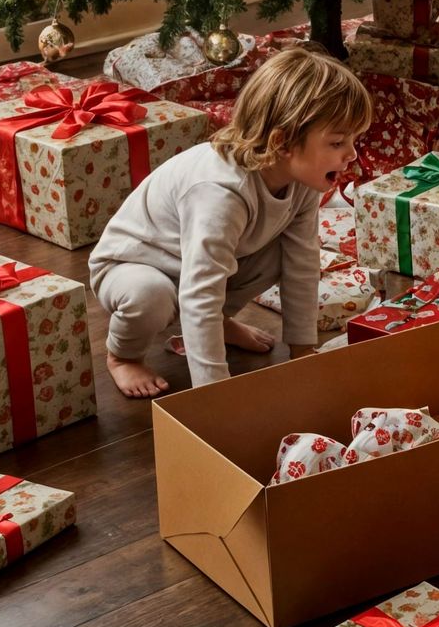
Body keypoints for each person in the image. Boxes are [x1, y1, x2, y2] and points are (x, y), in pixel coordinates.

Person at [88, 47, 371, 398]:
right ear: (283, 142)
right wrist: (214, 393)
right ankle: (122, 354)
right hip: (133, 265)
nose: (352, 154)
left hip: (200, 265)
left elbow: (302, 264)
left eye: (353, 140)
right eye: (337, 142)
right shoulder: (220, 191)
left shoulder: (302, 182)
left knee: (286, 255)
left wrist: (301, 349)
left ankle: (219, 324)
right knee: (151, 296)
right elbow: (200, 292)